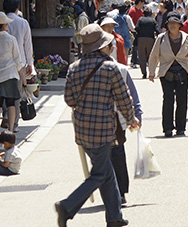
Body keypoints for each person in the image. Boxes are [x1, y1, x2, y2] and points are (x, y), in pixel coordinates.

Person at [56, 24, 137, 227]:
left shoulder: (74, 68)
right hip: (103, 129)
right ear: (102, 47)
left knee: (107, 173)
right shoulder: (111, 68)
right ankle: (67, 206)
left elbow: (69, 99)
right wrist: (131, 118)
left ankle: (114, 217)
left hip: (82, 129)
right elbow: (123, 98)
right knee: (100, 174)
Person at [147, 12, 188, 137]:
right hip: (166, 72)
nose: (172, 26)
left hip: (182, 72)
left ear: (179, 25)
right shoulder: (161, 38)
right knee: (168, 99)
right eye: (170, 24)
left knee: (182, 100)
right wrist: (151, 72)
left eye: (175, 23)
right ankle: (167, 128)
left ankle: (181, 128)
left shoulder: (186, 38)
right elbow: (154, 55)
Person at [104, 39, 142, 206]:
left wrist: (136, 114)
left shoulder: (121, 70)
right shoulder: (87, 68)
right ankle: (111, 192)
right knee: (102, 158)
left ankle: (120, 191)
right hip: (97, 120)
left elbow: (131, 95)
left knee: (117, 154)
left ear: (111, 49)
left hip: (116, 119)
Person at [0, 11, 25, 139]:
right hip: (10, 74)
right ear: (3, 25)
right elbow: (17, 59)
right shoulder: (11, 39)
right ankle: (11, 130)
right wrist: (23, 77)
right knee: (11, 103)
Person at [3, 0, 37, 83]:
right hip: (20, 61)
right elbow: (28, 44)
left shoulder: (1, 23)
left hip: (3, 62)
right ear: (17, 8)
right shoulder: (23, 22)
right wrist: (30, 63)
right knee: (19, 89)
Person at [134, 5, 158, 79]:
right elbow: (157, 30)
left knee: (142, 57)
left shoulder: (140, 19)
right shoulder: (153, 20)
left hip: (141, 39)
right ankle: (151, 72)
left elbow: (137, 28)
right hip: (150, 39)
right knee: (151, 57)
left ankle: (144, 73)